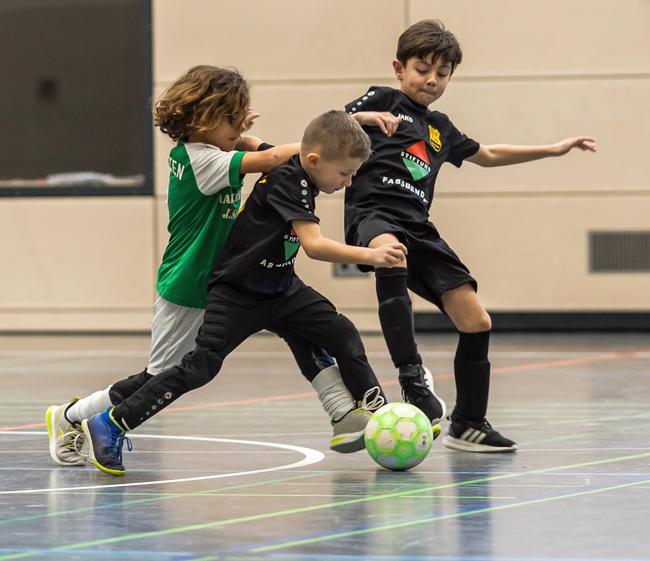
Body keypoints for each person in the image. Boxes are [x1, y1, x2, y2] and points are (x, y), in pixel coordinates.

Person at [45, 69, 371, 470]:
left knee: (298, 331)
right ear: (205, 120)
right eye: (231, 121)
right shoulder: (201, 161)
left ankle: (343, 412)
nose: (240, 129)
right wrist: (318, 145)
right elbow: (271, 156)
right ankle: (71, 417)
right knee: (158, 377)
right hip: (188, 284)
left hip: (222, 280)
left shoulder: (209, 149)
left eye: (240, 120)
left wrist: (243, 132)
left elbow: (256, 146)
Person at [343, 19, 597, 452]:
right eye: (423, 69)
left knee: (477, 321)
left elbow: (490, 154)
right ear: (399, 67)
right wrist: (363, 117)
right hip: (374, 213)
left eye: (442, 74)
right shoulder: (381, 99)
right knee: (391, 253)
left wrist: (553, 148)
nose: (432, 80)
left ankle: (469, 423)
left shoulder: (440, 127)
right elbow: (332, 124)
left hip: (420, 226)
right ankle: (412, 377)